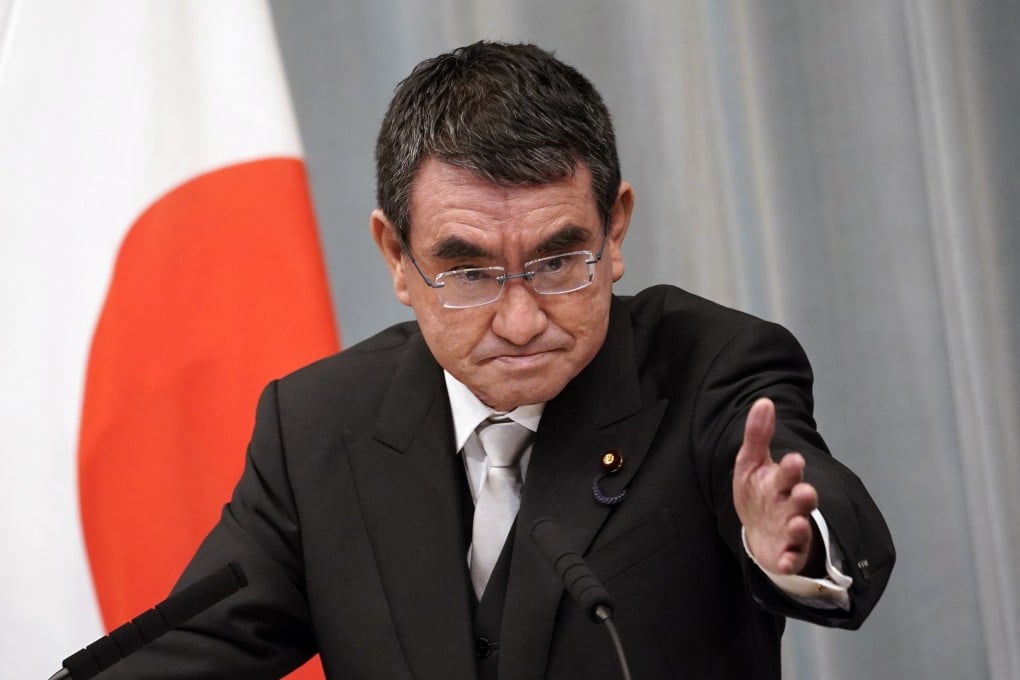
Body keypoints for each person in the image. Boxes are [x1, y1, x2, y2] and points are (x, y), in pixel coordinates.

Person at [92, 41, 894, 679]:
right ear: (396, 256)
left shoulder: (711, 367)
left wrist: (795, 539)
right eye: (470, 273)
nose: (519, 320)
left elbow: (813, 503)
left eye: (557, 261)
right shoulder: (319, 426)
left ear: (614, 230)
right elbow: (193, 645)